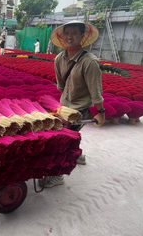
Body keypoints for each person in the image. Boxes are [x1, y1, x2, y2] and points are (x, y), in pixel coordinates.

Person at [41, 20, 105, 188]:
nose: (70, 37)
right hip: (63, 107)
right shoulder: (59, 59)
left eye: (74, 33)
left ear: (82, 36)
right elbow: (61, 86)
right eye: (67, 33)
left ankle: (57, 176)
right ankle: (78, 155)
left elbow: (95, 91)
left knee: (62, 141)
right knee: (68, 135)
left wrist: (101, 112)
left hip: (79, 110)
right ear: (62, 37)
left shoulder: (89, 62)